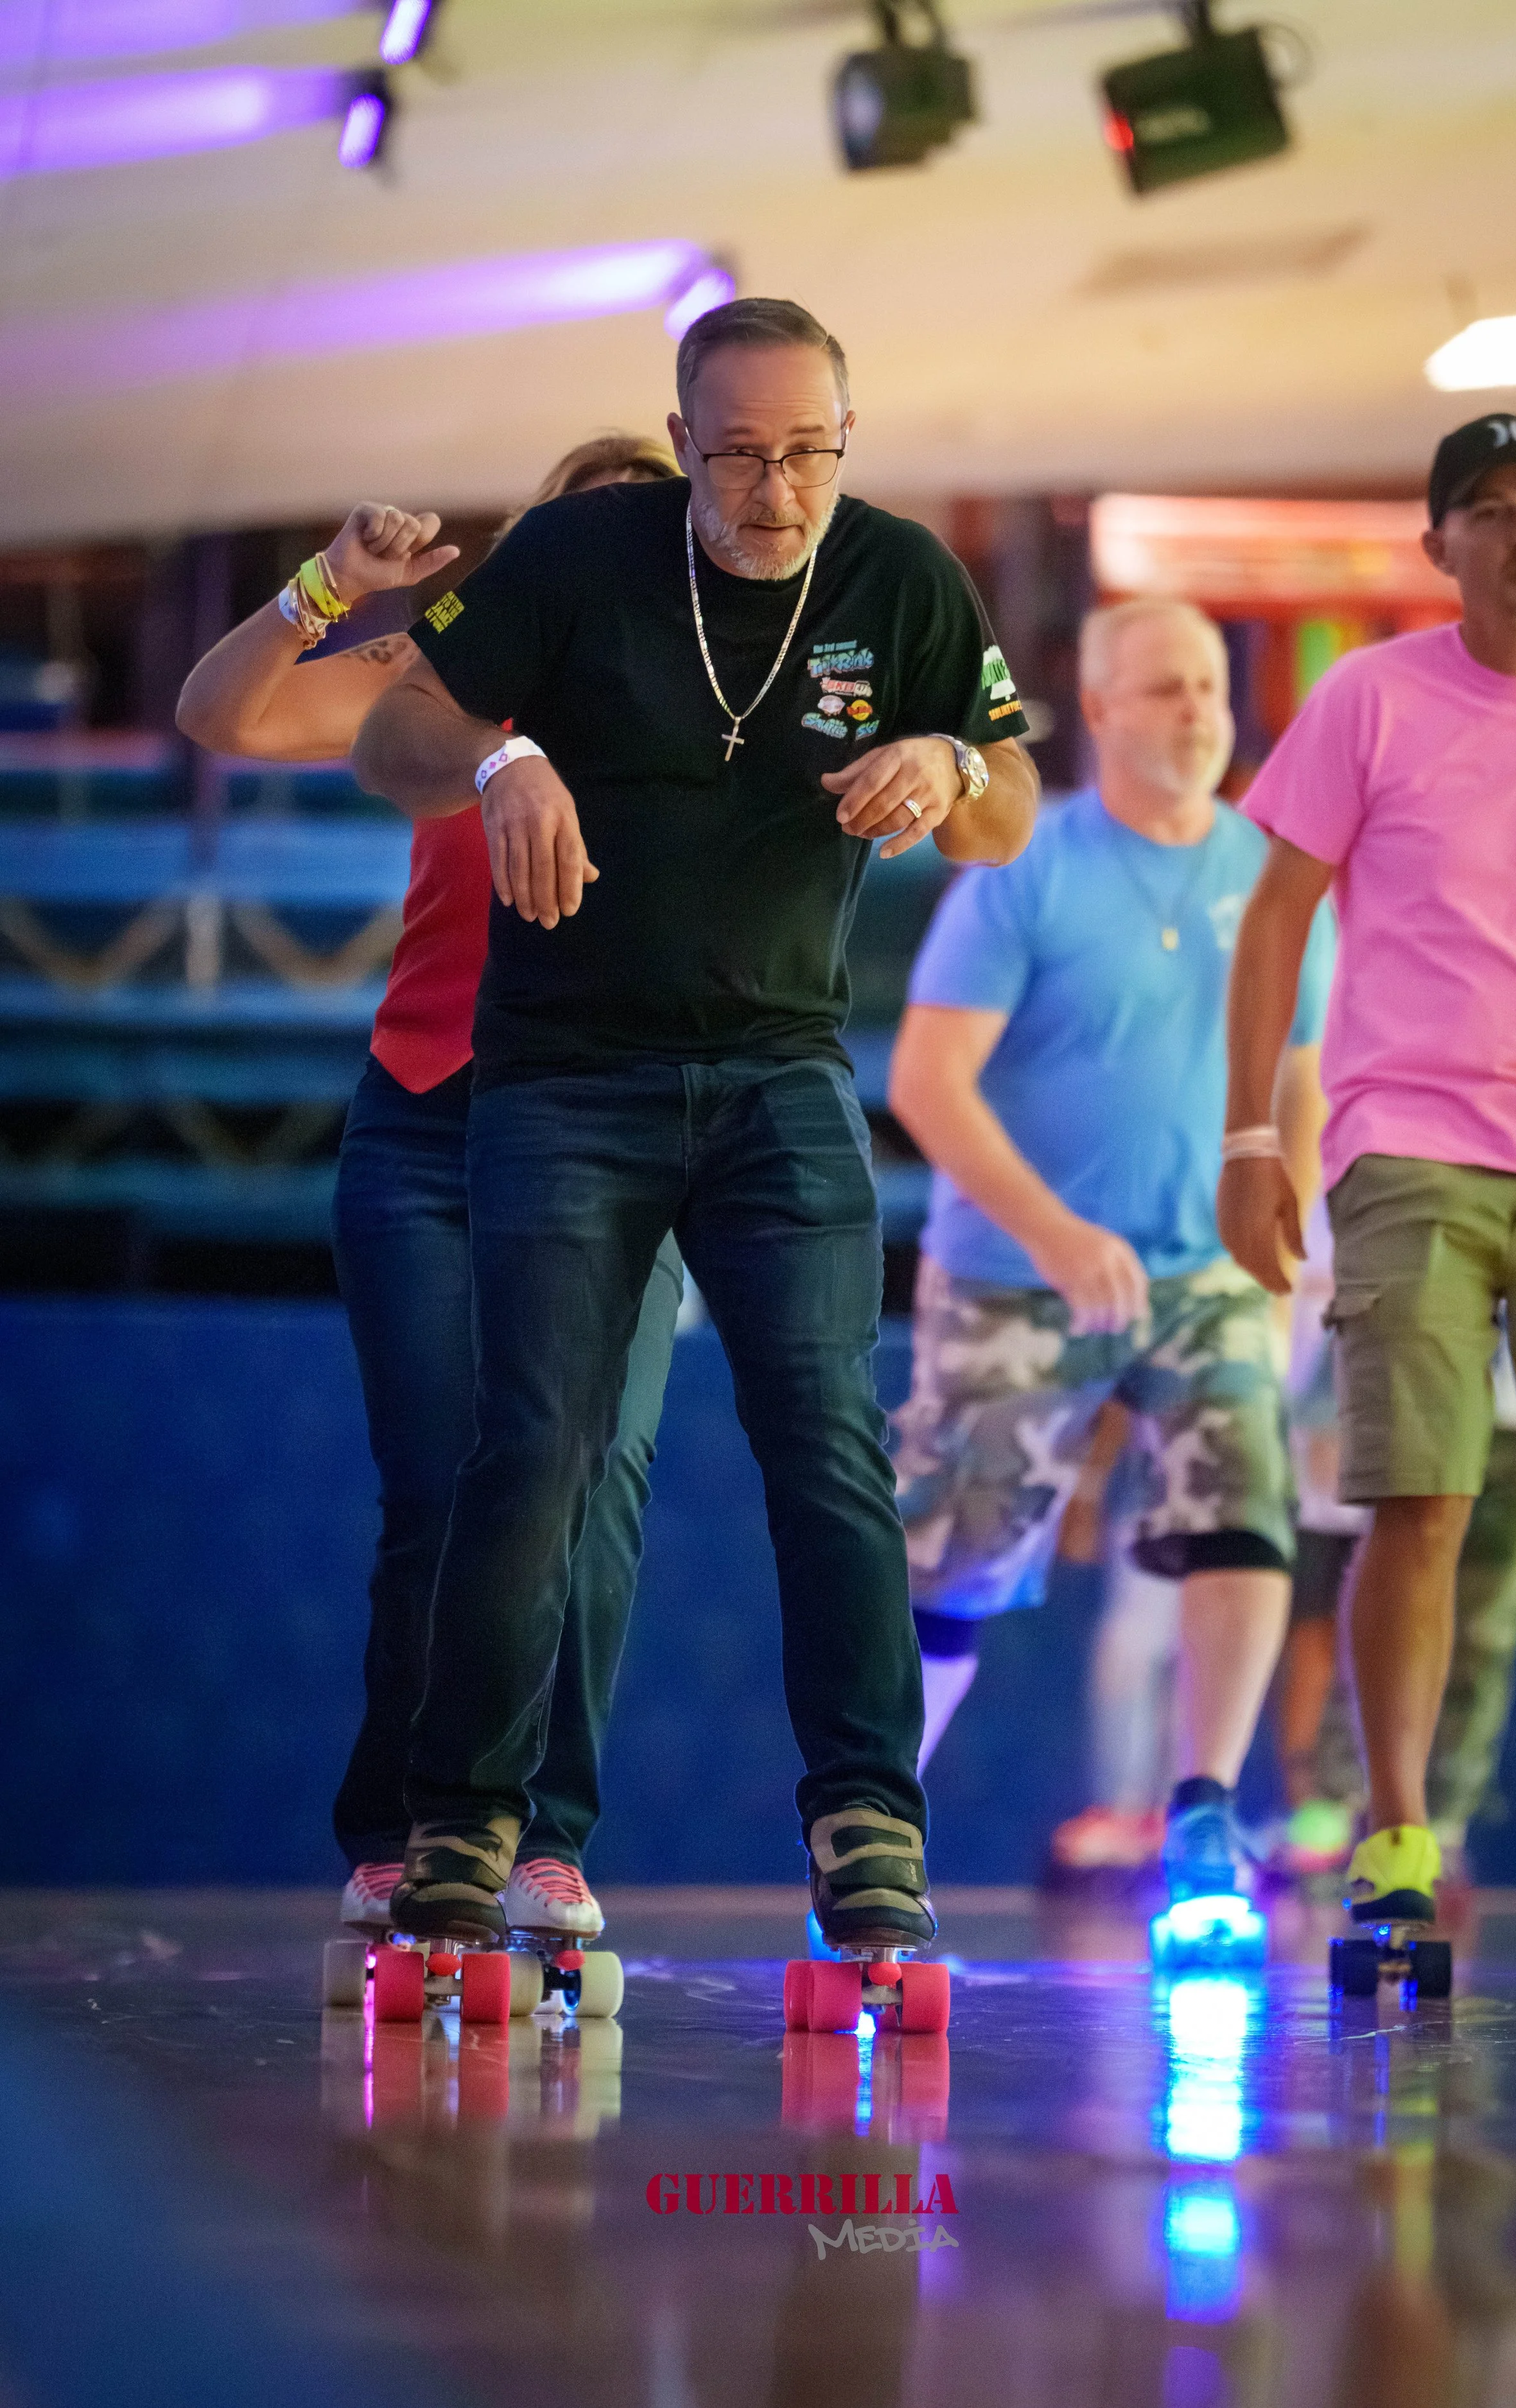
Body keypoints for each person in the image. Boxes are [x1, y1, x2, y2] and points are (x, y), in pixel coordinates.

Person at [347, 296, 1040, 1948]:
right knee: (535, 1444)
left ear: (845, 443)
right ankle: (466, 1817)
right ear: (680, 444)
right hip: (566, 1073)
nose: (775, 488)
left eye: (806, 451)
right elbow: (390, 740)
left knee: (826, 1432)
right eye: (738, 454)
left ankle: (868, 1817)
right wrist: (502, 746)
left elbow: (1009, 808)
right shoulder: (581, 559)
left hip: (782, 1071)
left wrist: (946, 759)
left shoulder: (900, 575)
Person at [176, 435, 685, 1944]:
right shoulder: (449, 678)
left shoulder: (714, 705)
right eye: (573, 537)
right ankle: (405, 1821)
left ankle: (548, 1837)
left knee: (593, 1480)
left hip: (619, 1130)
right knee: (449, 1479)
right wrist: (327, 585)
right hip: (427, 1116)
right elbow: (225, 714)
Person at [1219, 412, 1516, 1932]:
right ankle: (1393, 1828)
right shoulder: (1368, 697)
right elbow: (1273, 919)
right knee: (1420, 1495)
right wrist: (1258, 1138)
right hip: (1408, 1142)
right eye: (1489, 510)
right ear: (1439, 545)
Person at [887, 595, 1330, 1907]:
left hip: (1203, 1274)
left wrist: (1284, 1226)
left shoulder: (1268, 870)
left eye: (1206, 687)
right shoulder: (1024, 866)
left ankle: (1198, 1816)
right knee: (951, 1560)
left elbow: (1299, 1079)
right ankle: (868, 1825)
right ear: (1093, 711)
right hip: (1018, 1273)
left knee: (1243, 1505)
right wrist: (1058, 1234)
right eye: (1161, 691)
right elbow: (927, 1082)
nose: (1196, 713)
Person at [1274, 1200, 1516, 1883]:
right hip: (1432, 1395)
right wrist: (1326, 1407)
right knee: (1395, 1591)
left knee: (1483, 1627)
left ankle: (1442, 1819)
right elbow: (1388, 1252)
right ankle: (1339, 1800)